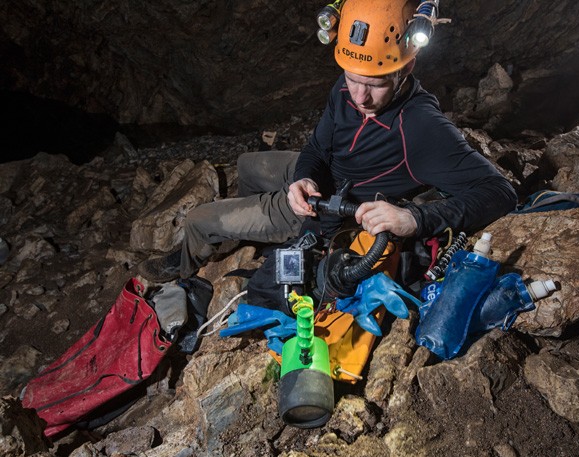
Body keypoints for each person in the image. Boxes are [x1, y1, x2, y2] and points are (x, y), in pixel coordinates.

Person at [138, 0, 517, 283]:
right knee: (247, 164)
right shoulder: (346, 87)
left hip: (332, 210)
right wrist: (303, 178)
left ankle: (187, 261)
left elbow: (499, 191)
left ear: (407, 67)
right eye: (352, 78)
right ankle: (249, 236)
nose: (360, 96)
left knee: (200, 218)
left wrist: (415, 218)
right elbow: (318, 148)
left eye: (375, 84)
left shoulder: (421, 126)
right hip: (322, 180)